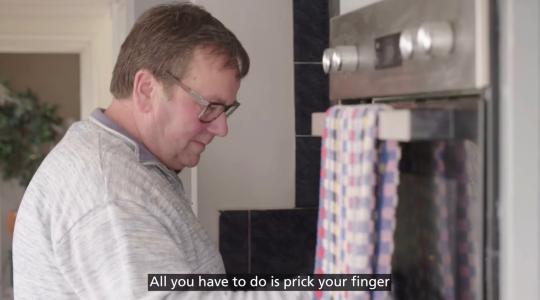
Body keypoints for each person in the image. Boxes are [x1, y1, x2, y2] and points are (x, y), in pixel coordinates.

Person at [13, 3, 310, 300]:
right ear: (146, 90)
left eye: (225, 110)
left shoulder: (128, 164)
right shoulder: (110, 190)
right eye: (210, 106)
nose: (221, 128)